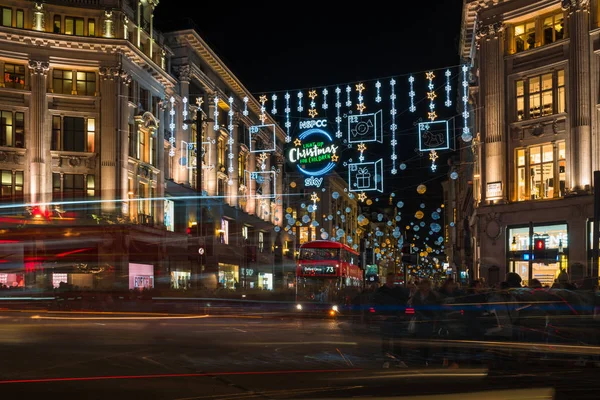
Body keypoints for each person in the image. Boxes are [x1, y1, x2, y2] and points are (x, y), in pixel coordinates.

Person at [374, 272, 410, 368]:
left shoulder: (397, 291)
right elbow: (376, 303)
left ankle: (396, 360)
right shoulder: (382, 291)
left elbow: (403, 303)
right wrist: (380, 314)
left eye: (392, 279)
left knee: (396, 341)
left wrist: (402, 314)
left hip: (395, 318)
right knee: (386, 341)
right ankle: (387, 360)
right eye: (390, 279)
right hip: (387, 318)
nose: (391, 280)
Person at [409, 278, 440, 366]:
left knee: (427, 339)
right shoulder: (417, 296)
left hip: (428, 320)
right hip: (420, 320)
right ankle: (422, 357)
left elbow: (436, 308)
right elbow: (414, 307)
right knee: (421, 339)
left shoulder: (433, 296)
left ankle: (425, 357)